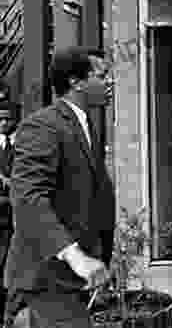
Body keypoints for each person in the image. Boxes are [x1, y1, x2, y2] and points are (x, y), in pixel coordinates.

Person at [4, 46, 115, 328]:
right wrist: (76, 257)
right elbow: (28, 198)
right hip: (45, 281)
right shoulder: (43, 127)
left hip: (69, 284)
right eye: (102, 76)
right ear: (75, 82)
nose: (109, 82)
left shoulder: (86, 124)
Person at [0, 102, 18, 327]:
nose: (4, 123)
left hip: (12, 212)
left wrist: (9, 181)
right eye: (0, 118)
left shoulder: (20, 145)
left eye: (8, 118)